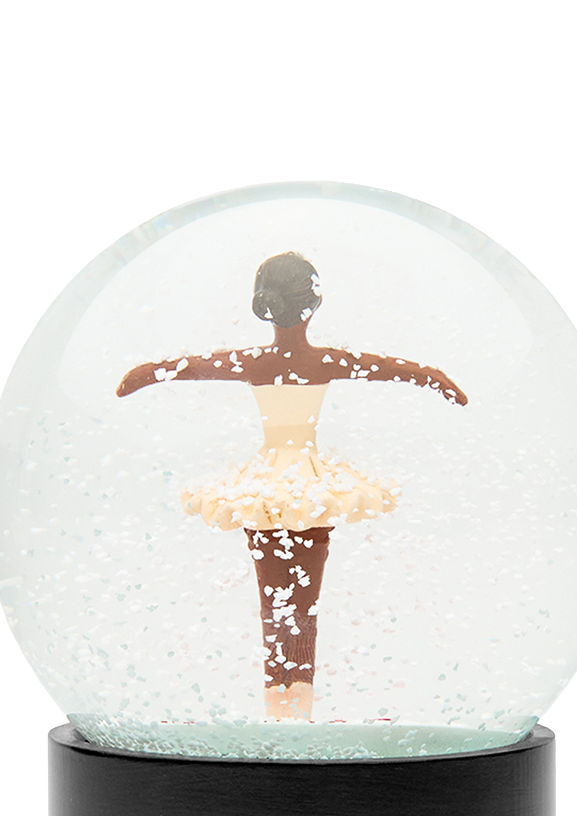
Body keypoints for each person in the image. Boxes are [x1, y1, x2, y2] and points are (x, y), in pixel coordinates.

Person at [117, 252, 467, 722]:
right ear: (314, 302)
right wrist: (435, 380)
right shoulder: (323, 360)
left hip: (267, 484)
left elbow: (191, 366)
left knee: (275, 596)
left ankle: (282, 701)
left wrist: (143, 376)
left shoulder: (255, 361)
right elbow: (389, 368)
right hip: (308, 482)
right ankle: (294, 701)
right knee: (303, 599)